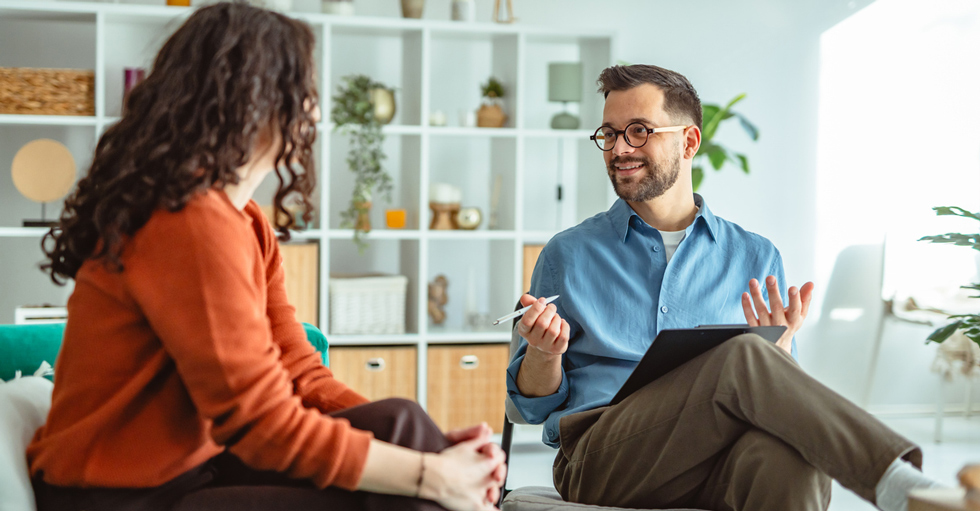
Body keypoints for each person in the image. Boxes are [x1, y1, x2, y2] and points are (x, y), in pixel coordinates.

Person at [28, 4, 505, 511]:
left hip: (199, 463)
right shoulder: (186, 220)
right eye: (304, 91)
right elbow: (259, 420)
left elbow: (300, 372)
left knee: (401, 421)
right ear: (251, 99)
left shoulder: (247, 220)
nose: (314, 113)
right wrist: (427, 474)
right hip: (121, 494)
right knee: (407, 498)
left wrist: (421, 450)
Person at [506, 64, 942, 511]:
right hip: (604, 461)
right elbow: (527, 409)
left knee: (792, 458)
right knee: (741, 355)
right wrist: (544, 353)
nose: (619, 148)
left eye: (638, 131)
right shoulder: (568, 254)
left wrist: (781, 349)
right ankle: (903, 488)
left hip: (713, 459)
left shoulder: (756, 256)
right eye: (610, 134)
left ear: (689, 142)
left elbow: (780, 400)